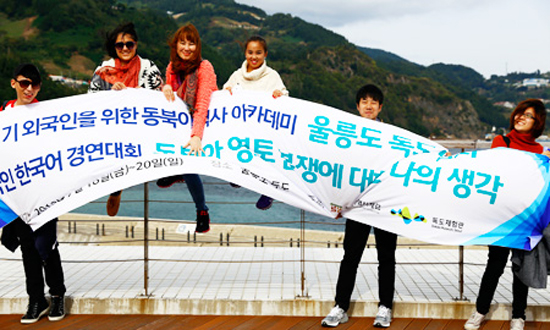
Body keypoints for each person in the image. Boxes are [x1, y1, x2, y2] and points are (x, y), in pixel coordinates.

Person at [464, 99, 550, 330]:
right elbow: (494, 171)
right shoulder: (502, 141)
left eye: (528, 115)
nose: (520, 117)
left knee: (521, 268)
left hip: (527, 219)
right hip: (501, 217)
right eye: (519, 113)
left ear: (537, 122)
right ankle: (480, 311)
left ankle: (518, 315)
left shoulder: (541, 152)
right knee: (495, 264)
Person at [322, 84, 397, 328]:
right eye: (364, 101)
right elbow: (339, 171)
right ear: (357, 106)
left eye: (373, 101)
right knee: (350, 256)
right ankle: (340, 306)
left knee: (386, 257)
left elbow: (411, 163)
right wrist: (336, 203)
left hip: (385, 205)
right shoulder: (348, 136)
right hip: (356, 205)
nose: (368, 105)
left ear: (380, 107)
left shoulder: (393, 137)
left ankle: (385, 307)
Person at [0, 63, 67, 324]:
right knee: (28, 247)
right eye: (24, 83)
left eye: (35, 84)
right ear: (13, 83)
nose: (29, 89)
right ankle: (36, 299)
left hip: (43, 192)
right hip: (15, 194)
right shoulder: (4, 113)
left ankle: (58, 295)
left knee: (47, 246)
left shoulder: (45, 114)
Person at [88, 22, 163, 217]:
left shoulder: (148, 67)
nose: (125, 49)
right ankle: (115, 187)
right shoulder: (103, 71)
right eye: (119, 45)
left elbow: (160, 96)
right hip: (112, 131)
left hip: (141, 130)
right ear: (113, 48)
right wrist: (111, 95)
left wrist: (142, 94)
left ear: (136, 45)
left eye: (129, 44)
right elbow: (90, 102)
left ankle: (118, 186)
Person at [156, 23, 217, 233]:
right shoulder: (172, 67)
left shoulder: (204, 67)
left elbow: (202, 105)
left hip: (206, 123)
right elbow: (172, 97)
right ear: (176, 45)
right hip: (183, 123)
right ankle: (176, 170)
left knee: (190, 162)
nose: (187, 48)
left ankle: (202, 211)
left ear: (197, 46)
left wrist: (197, 135)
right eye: (183, 42)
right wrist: (165, 87)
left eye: (192, 43)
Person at [223, 35, 288, 210]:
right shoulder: (237, 74)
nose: (254, 57)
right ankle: (237, 174)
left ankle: (269, 192)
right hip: (242, 128)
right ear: (245, 53)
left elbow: (284, 96)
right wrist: (227, 91)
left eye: (258, 53)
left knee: (266, 159)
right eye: (250, 52)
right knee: (235, 148)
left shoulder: (272, 75)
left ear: (265, 54)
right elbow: (224, 92)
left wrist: (279, 95)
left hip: (264, 130)